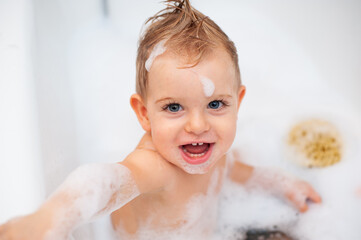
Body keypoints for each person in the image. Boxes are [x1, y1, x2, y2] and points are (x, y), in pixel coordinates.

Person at [0, 0, 321, 239]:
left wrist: (282, 184)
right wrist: (48, 220)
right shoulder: (154, 165)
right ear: (143, 114)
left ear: (237, 102)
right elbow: (105, 185)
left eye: (215, 104)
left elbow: (234, 170)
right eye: (173, 108)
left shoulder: (211, 148)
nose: (198, 125)